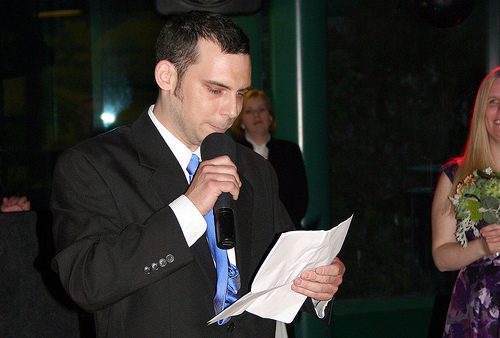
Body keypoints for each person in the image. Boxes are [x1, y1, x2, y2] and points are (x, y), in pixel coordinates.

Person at [50, 11, 345, 338]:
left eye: (240, 93)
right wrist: (189, 208)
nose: (231, 111)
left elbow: (279, 265)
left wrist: (317, 282)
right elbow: (87, 284)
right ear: (167, 77)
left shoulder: (254, 169)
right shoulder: (94, 165)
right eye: (216, 90)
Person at [431, 66, 500, 337]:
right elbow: (441, 257)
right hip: (480, 313)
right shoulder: (457, 176)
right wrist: (482, 246)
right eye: (493, 102)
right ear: (481, 111)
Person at [231, 89, 308, 228]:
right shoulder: (233, 153)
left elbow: (300, 198)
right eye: (249, 111)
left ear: (270, 117)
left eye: (262, 109)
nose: (256, 115)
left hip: (286, 231)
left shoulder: (289, 151)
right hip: (246, 233)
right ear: (241, 122)